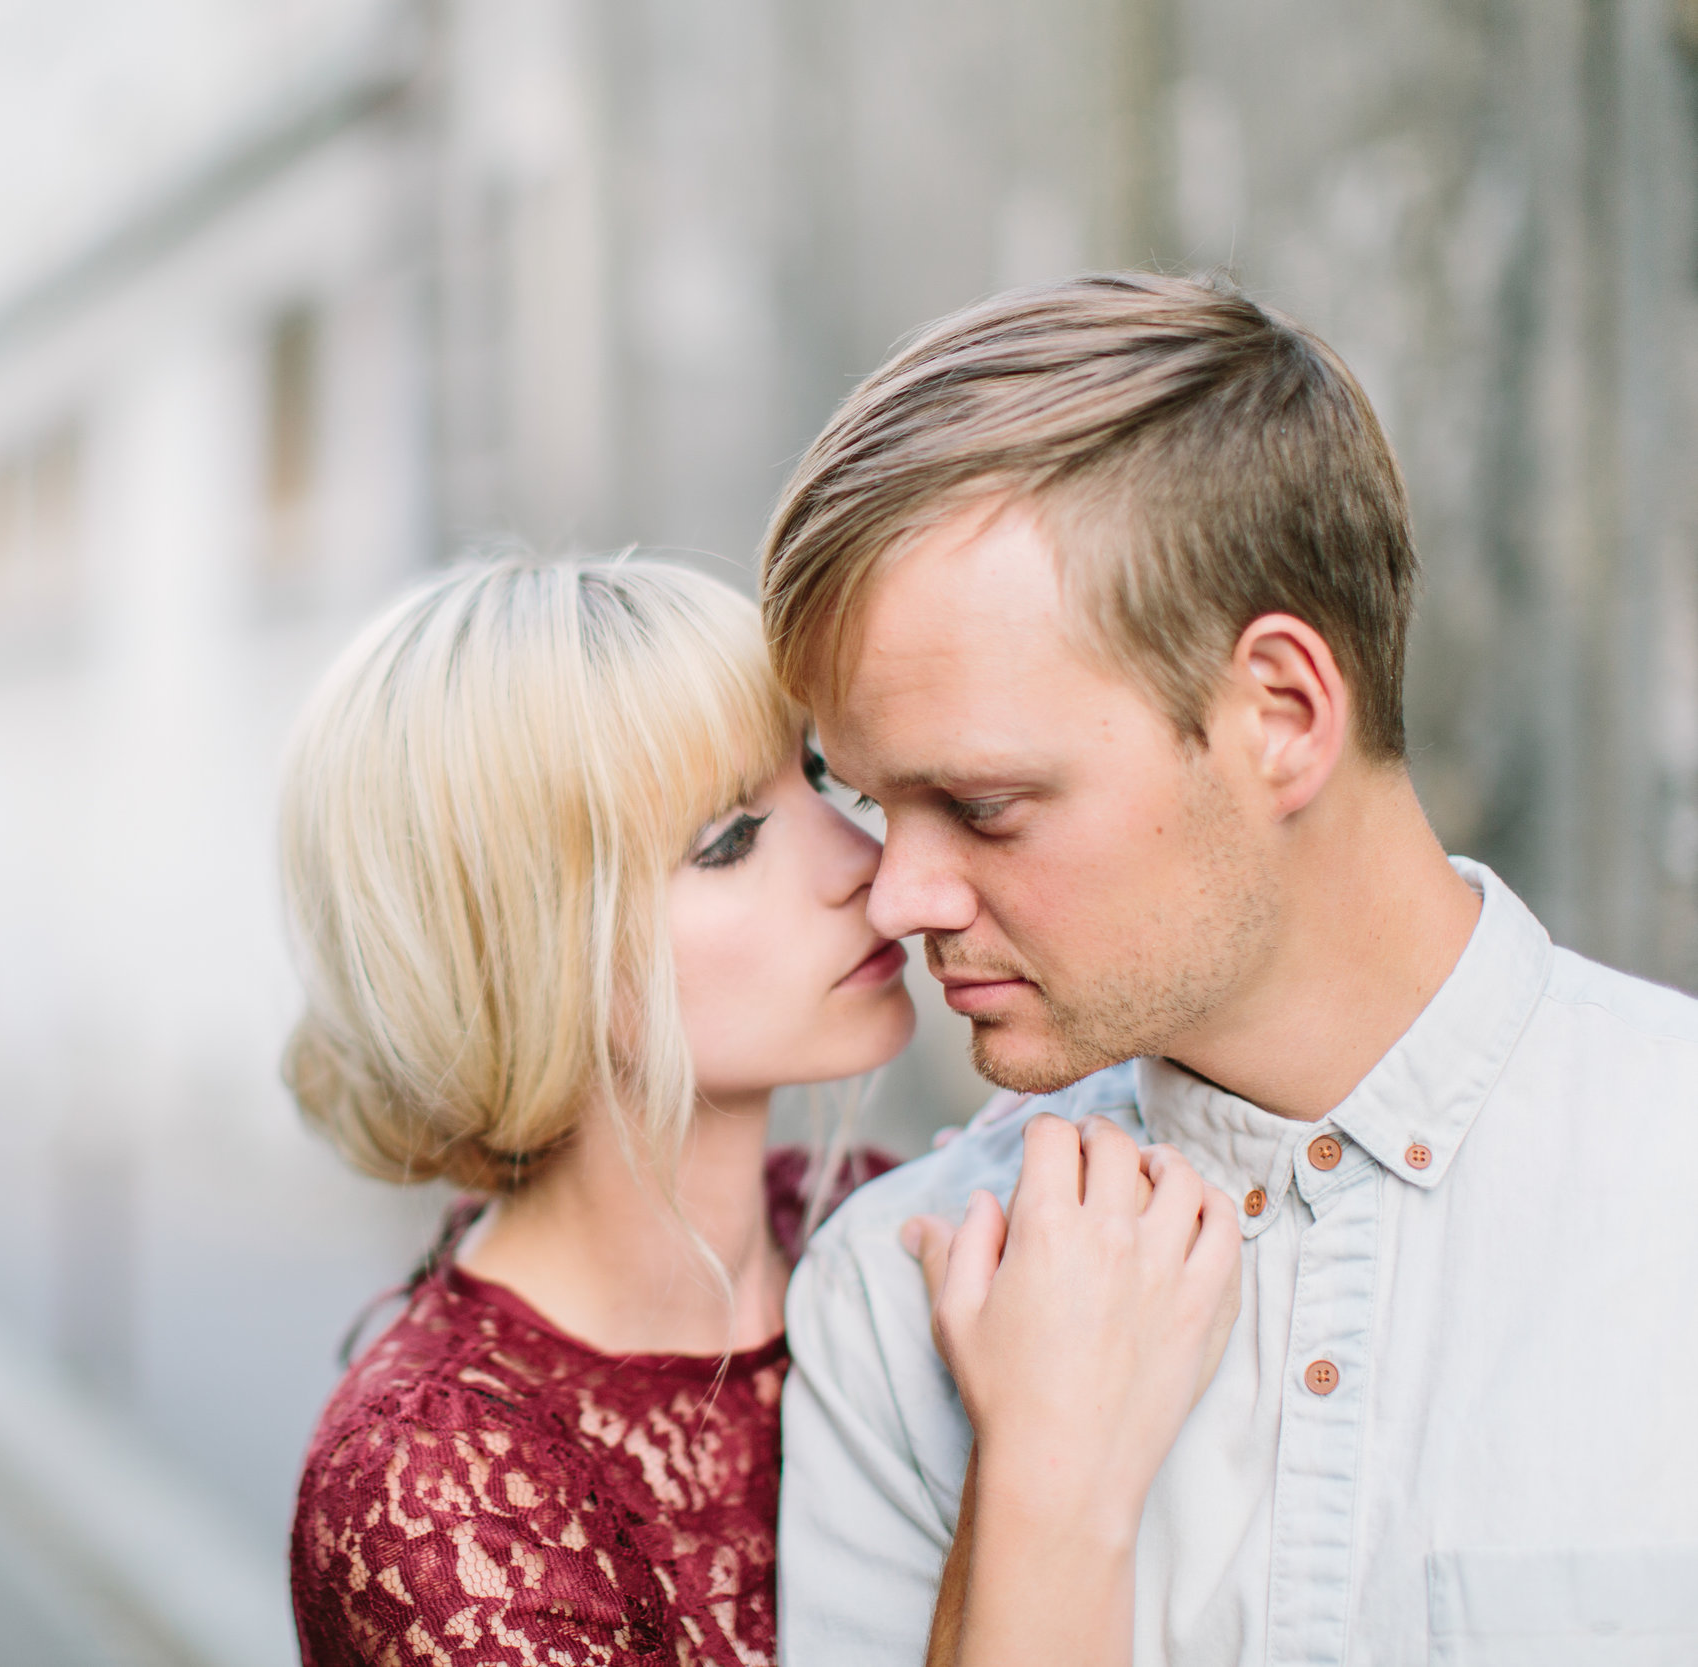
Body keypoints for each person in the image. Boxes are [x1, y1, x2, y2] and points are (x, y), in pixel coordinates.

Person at [760, 271, 1698, 1664]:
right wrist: (1043, 1488)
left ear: (1280, 714)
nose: (898, 893)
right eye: (871, 802)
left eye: (984, 803)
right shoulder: (898, 1296)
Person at [278, 556, 918, 1666]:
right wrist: (1049, 1490)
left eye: (814, 775)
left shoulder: (883, 1220)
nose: (867, 858)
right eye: (728, 839)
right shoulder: (436, 1486)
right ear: (524, 954)